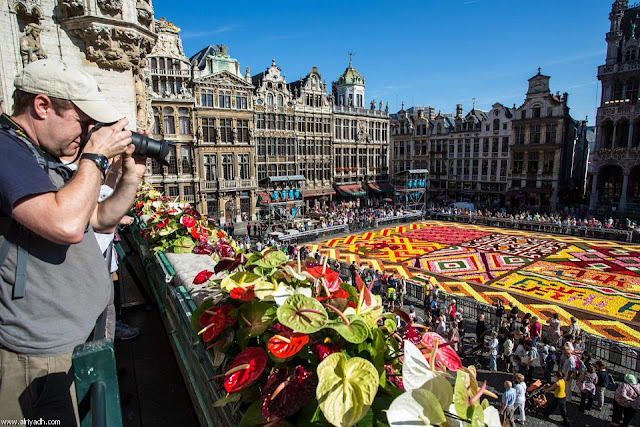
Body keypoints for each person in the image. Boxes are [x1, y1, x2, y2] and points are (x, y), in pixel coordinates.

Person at [0, 59, 144, 424]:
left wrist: (130, 177)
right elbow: (65, 225)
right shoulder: (6, 151)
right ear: (42, 106)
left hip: (71, 340)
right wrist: (95, 156)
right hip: (40, 354)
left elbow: (99, 218)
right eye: (82, 121)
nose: (87, 132)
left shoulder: (37, 155)